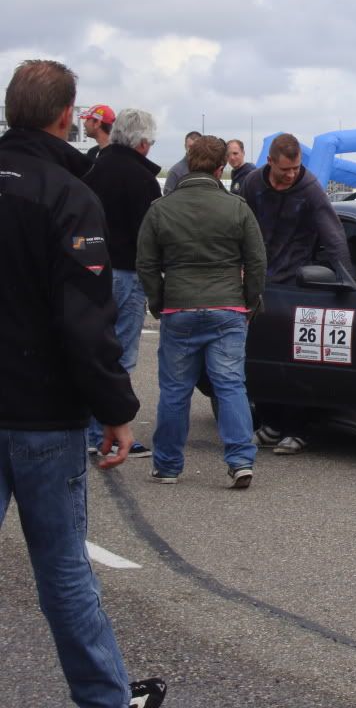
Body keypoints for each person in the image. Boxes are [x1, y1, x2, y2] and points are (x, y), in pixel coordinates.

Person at [0, 59, 166, 708]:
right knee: (64, 569)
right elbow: (85, 321)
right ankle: (103, 698)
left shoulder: (70, 188)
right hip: (43, 413)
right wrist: (116, 409)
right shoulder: (67, 193)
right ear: (66, 116)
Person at [137, 135, 267, 488]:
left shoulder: (161, 209)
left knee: (175, 390)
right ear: (221, 168)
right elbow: (257, 260)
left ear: (189, 161)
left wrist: (158, 301)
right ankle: (240, 460)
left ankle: (167, 465)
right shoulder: (237, 207)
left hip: (179, 305)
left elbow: (146, 263)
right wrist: (249, 301)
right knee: (230, 385)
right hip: (227, 306)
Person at [241, 132, 356, 455]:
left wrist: (350, 281)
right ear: (270, 162)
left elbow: (334, 237)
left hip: (296, 285)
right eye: (285, 170)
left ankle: (296, 429)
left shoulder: (309, 188)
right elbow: (239, 225)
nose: (291, 175)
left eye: (295, 169)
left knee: (294, 360)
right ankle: (270, 423)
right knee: (259, 358)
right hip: (258, 284)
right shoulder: (251, 184)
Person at [82, 108, 161, 459]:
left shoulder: (93, 169)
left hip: (92, 268)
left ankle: (88, 428)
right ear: (142, 143)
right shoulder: (142, 179)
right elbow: (149, 235)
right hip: (128, 271)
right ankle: (108, 429)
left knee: (92, 348)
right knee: (121, 355)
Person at [162, 129, 201, 195]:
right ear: (185, 147)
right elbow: (167, 198)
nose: (193, 150)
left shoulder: (210, 169)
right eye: (190, 147)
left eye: (196, 147)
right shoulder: (175, 172)